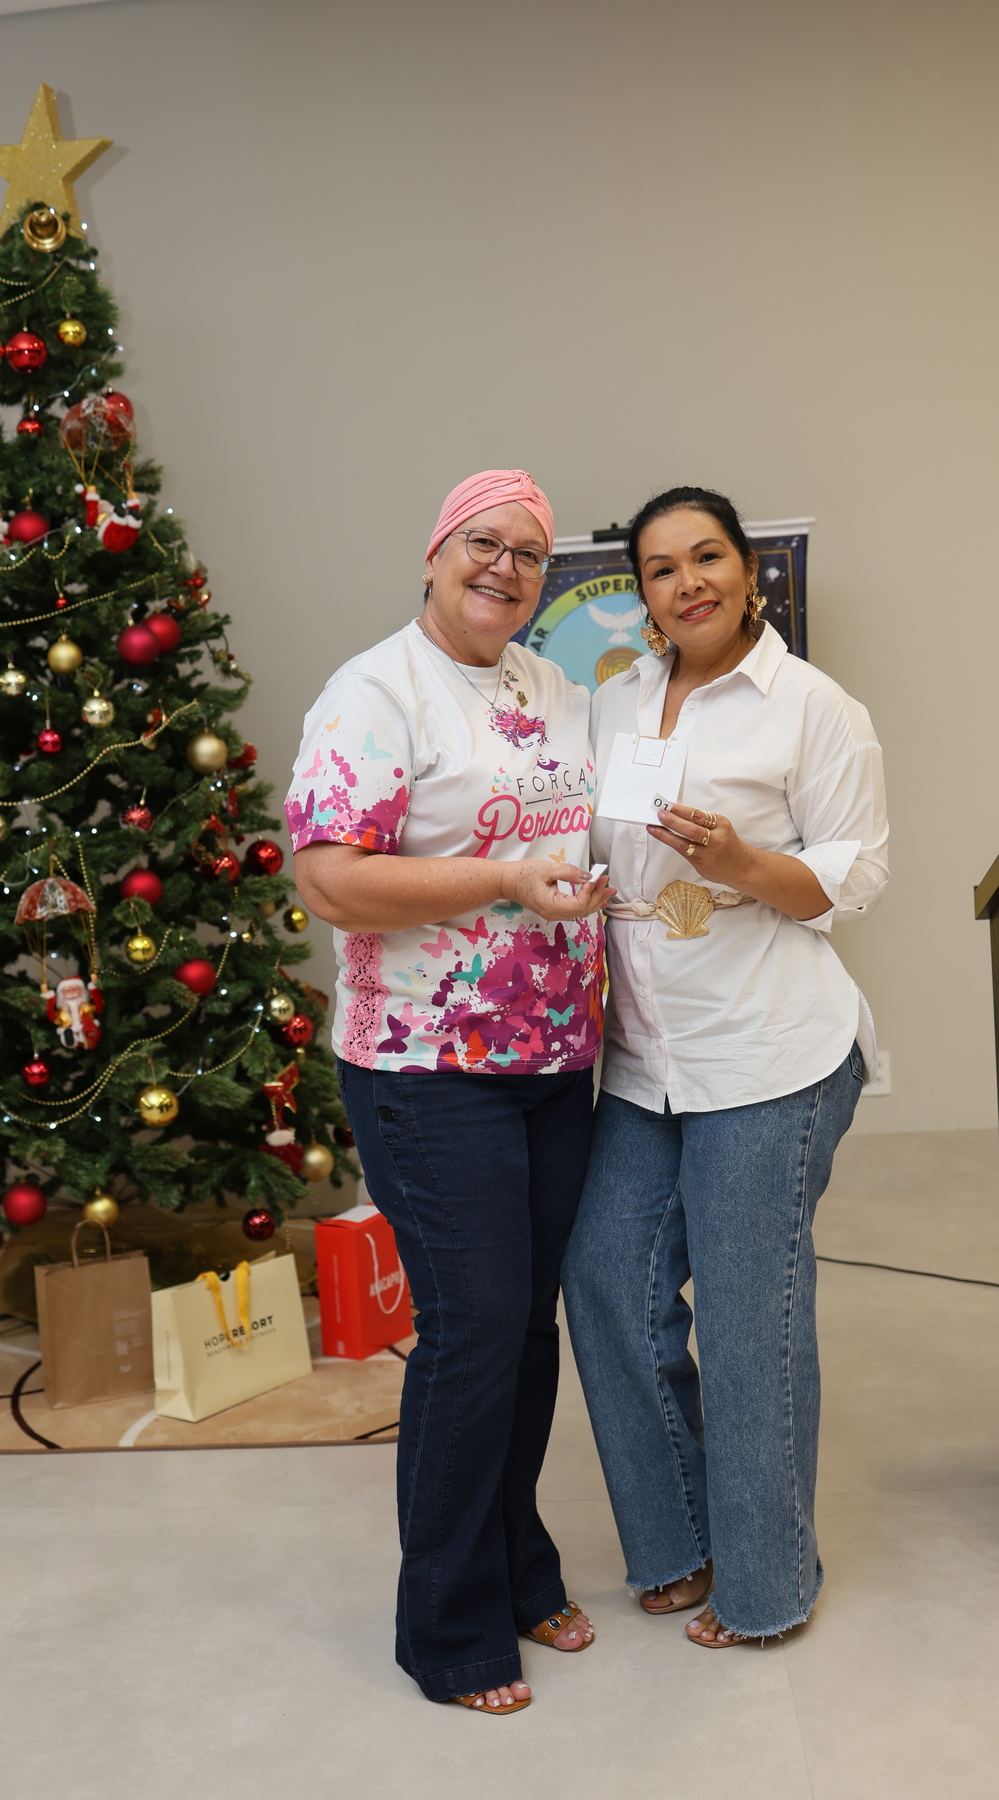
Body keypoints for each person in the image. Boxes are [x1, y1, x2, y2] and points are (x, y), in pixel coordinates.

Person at [286, 470, 615, 1714]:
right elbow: (329, 879)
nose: (505, 568)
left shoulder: (553, 690)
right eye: (484, 542)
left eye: (530, 553)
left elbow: (598, 830)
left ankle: (519, 1569)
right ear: (434, 554)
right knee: (473, 1333)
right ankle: (448, 1624)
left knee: (524, 1331)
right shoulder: (377, 692)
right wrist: (504, 878)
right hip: (427, 1070)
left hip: (553, 1064)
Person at [562, 486, 888, 1647]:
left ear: (751, 573)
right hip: (646, 1056)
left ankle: (767, 1583)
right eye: (661, 568)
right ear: (641, 594)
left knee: (751, 1323)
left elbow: (851, 880)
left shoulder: (814, 709)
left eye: (708, 557)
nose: (687, 581)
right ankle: (678, 1540)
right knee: (606, 1280)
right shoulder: (615, 703)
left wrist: (742, 860)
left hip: (770, 1050)